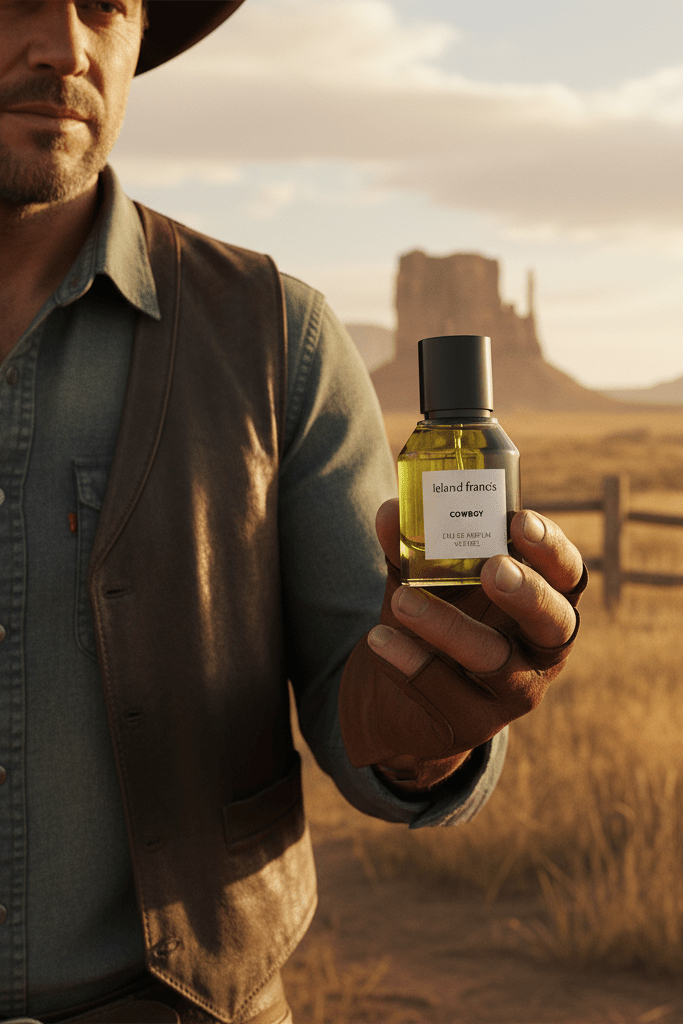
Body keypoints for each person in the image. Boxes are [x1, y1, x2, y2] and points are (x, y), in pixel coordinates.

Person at [0, 2, 586, 1022]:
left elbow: (369, 708)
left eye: (105, 0)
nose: (64, 43)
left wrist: (427, 726)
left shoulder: (278, 339)